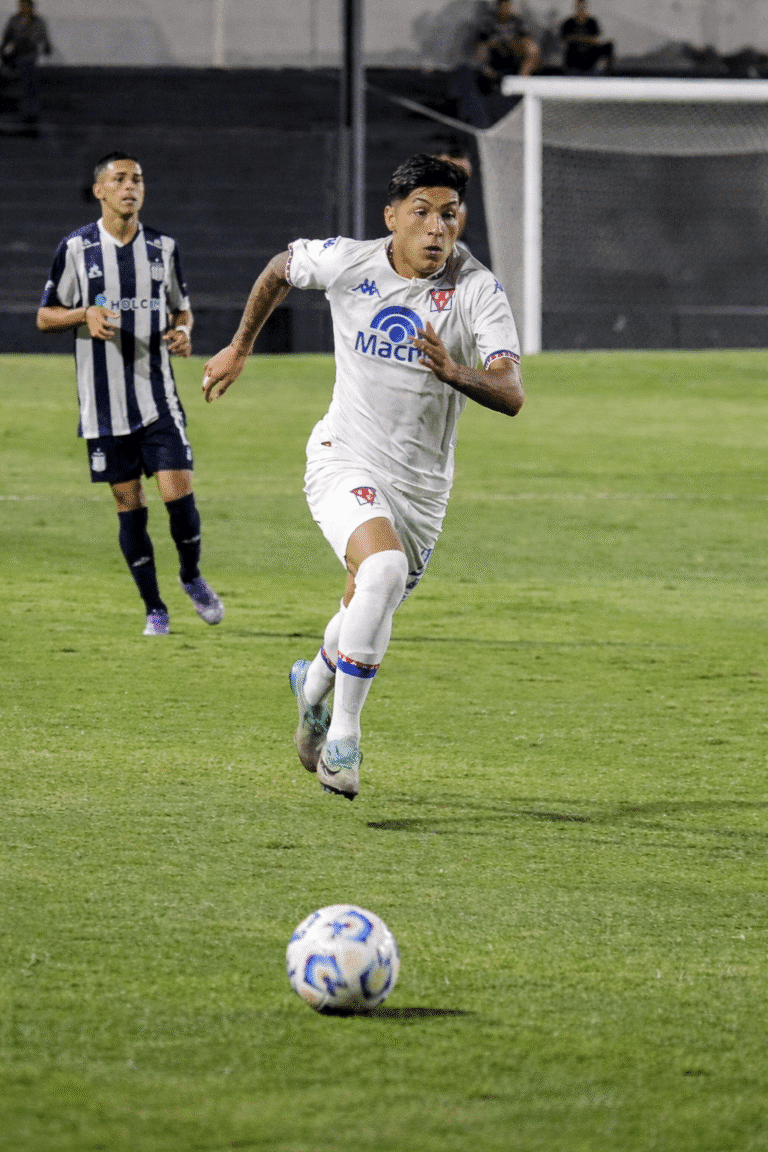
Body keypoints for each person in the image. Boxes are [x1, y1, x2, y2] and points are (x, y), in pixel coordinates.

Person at [202, 154, 524, 800]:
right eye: (423, 213)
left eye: (450, 216)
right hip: (341, 455)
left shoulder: (476, 289)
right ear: (392, 218)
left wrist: (455, 372)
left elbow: (511, 390)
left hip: (422, 492)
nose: (438, 229)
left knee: (364, 605)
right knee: (379, 573)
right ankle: (341, 744)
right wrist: (241, 345)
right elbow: (280, 269)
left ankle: (314, 685)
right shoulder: (350, 261)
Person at [37, 151, 223, 636]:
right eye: (119, 179)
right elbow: (44, 315)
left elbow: (182, 310)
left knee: (177, 494)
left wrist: (184, 332)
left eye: (137, 179)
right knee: (130, 506)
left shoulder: (163, 248)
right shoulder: (76, 249)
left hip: (157, 398)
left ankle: (191, 576)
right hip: (103, 408)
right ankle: (154, 608)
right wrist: (84, 314)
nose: (130, 186)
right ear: (100, 190)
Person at [1, 0, 51, 122]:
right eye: (22, 6)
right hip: (16, 56)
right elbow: (7, 39)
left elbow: (44, 40)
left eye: (26, 6)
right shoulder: (14, 20)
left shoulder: (38, 22)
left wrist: (46, 48)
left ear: (31, 7)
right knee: (26, 73)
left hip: (29, 55)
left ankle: (30, 110)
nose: (23, 8)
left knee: (29, 72)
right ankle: (28, 109)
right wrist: (4, 56)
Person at [560, 0, 614, 74]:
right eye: (579, 7)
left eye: (583, 7)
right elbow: (564, 39)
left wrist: (579, 38)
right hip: (573, 57)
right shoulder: (568, 23)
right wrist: (584, 39)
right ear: (576, 8)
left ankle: (607, 72)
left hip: (590, 57)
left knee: (608, 46)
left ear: (586, 8)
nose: (581, 10)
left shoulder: (592, 22)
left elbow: (595, 39)